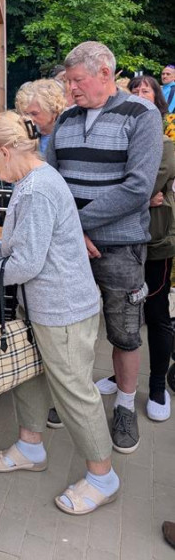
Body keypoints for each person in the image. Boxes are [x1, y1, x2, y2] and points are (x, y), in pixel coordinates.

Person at [0, 111, 119, 516]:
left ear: (7, 151)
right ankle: (30, 447)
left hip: (63, 310)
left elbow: (26, 264)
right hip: (42, 307)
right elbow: (21, 242)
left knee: (74, 393)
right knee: (29, 379)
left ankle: (103, 477)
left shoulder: (36, 190)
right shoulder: (33, 180)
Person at [46, 41, 163, 453]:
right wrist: (71, 231)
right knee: (73, 326)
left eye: (77, 81)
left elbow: (138, 187)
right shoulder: (66, 118)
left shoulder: (142, 114)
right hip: (71, 244)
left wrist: (77, 223)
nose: (71, 90)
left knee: (125, 332)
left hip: (120, 245)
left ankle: (126, 407)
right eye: (69, 82)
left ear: (105, 75)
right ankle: (75, 398)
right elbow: (50, 178)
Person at [96, 75, 175, 422]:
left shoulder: (167, 142)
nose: (140, 94)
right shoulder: (120, 138)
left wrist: (137, 196)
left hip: (155, 241)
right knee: (125, 313)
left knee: (156, 313)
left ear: (158, 101)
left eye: (148, 91)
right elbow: (120, 183)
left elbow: (140, 185)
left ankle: (156, 385)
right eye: (135, 91)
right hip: (123, 240)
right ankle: (121, 376)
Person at [15, 79, 66, 155]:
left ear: (54, 111)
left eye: (34, 113)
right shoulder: (25, 134)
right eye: (26, 114)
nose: (29, 119)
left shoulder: (66, 137)